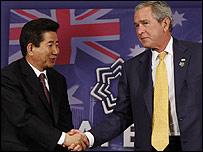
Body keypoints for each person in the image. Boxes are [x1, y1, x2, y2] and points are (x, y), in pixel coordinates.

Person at [67, 1, 202, 151]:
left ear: (165, 24)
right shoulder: (131, 68)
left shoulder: (197, 55)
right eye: (137, 25)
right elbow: (122, 115)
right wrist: (88, 137)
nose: (139, 31)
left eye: (145, 23)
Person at [1, 18, 88, 151]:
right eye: (50, 45)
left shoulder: (58, 80)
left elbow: (64, 122)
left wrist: (71, 143)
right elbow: (22, 119)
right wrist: (64, 138)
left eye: (57, 45)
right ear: (30, 48)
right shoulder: (8, 77)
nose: (56, 51)